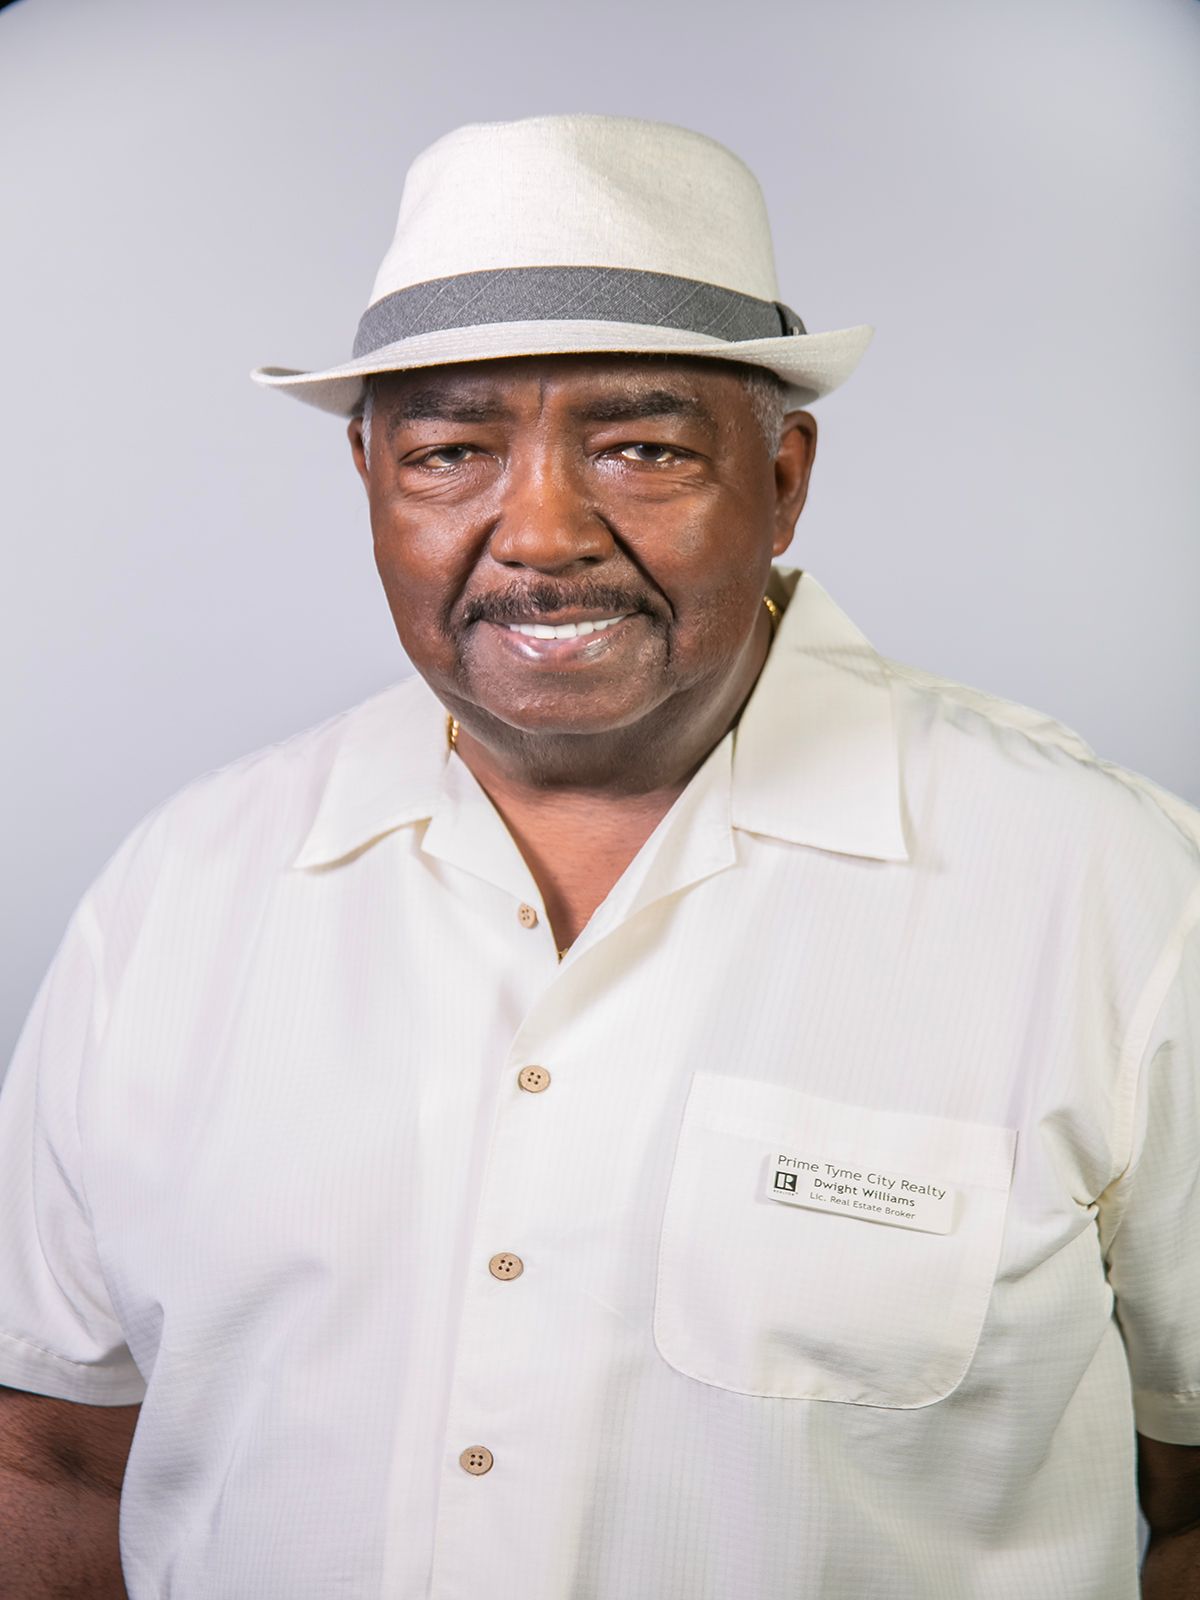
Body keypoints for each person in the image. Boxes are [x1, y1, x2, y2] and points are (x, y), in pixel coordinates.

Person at [0, 114, 1196, 1600]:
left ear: (785, 478)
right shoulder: (181, 892)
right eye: (451, 449)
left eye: (641, 447)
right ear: (370, 481)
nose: (544, 531)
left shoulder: (1112, 892)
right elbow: (52, 1452)